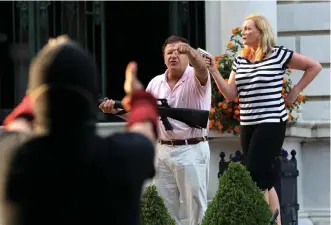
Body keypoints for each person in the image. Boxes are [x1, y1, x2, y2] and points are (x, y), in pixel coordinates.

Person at [0, 35, 159, 225]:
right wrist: (139, 97)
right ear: (92, 97)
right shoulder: (120, 158)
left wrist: (41, 82)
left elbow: (19, 121)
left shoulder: (10, 156)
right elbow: (145, 126)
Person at [204, 14, 322, 225]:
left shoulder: (278, 55)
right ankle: (276, 223)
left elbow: (314, 66)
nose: (244, 32)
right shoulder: (239, 60)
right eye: (243, 29)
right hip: (248, 122)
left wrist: (295, 90)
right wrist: (213, 70)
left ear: (261, 31)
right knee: (264, 177)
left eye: (248, 28)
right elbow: (230, 95)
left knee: (253, 174)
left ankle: (258, 220)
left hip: (272, 121)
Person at [99, 35, 211, 225]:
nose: (174, 56)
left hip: (191, 149)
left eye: (179, 52)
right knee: (165, 209)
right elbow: (146, 118)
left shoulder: (196, 75)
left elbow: (201, 67)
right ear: (163, 57)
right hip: (163, 151)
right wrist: (116, 111)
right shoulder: (156, 82)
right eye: (169, 52)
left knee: (196, 210)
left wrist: (191, 51)